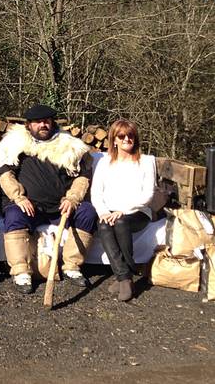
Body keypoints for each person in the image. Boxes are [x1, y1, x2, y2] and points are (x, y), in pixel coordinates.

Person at [0, 104, 97, 294]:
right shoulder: (15, 144)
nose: (43, 125)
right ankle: (21, 272)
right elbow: (5, 175)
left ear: (52, 122)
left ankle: (72, 266)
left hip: (61, 206)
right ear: (29, 125)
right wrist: (19, 198)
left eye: (46, 121)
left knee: (87, 213)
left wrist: (72, 198)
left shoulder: (70, 146)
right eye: (37, 122)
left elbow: (82, 178)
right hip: (30, 206)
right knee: (13, 215)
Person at [91, 119, 155, 302]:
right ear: (114, 140)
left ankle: (124, 275)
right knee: (104, 225)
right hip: (109, 211)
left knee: (120, 223)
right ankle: (125, 277)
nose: (127, 139)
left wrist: (123, 211)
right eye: (122, 136)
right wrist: (103, 212)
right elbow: (96, 192)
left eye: (131, 135)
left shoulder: (146, 161)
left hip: (138, 212)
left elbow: (148, 195)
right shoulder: (104, 163)